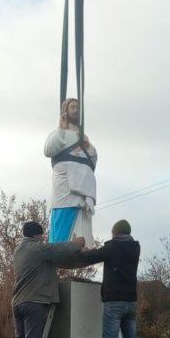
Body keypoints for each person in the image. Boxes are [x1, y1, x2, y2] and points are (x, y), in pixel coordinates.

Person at [8, 220, 92, 338]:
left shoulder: (18, 251)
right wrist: (77, 243)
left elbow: (50, 258)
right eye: (41, 236)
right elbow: (59, 249)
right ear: (37, 235)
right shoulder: (38, 248)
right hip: (35, 301)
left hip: (18, 302)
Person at [78, 219, 145, 338]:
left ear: (115, 233)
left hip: (114, 301)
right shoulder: (135, 248)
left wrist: (81, 250)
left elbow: (92, 257)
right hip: (131, 301)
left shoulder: (112, 247)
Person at [44, 97, 97, 244]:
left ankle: (83, 245)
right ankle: (61, 244)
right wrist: (61, 130)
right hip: (65, 183)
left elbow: (92, 159)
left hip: (84, 184)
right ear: (66, 111)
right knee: (64, 212)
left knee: (82, 215)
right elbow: (48, 150)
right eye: (72, 107)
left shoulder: (83, 136)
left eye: (77, 107)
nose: (76, 110)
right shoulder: (58, 133)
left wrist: (89, 146)